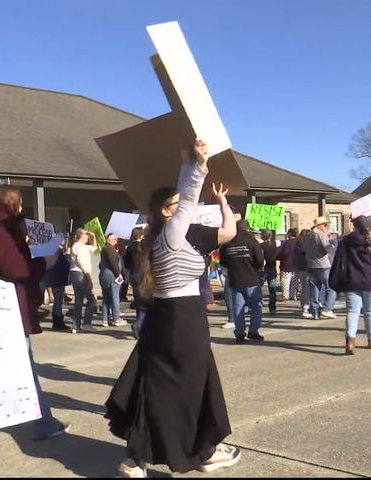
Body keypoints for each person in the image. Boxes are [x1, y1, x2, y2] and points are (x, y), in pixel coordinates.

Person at [105, 139, 240, 477]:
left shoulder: (158, 238)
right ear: (166, 211)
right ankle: (203, 452)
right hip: (184, 319)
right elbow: (188, 199)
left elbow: (228, 232)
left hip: (165, 318)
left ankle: (136, 457)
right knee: (190, 385)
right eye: (177, 206)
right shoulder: (172, 234)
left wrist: (222, 200)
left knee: (154, 384)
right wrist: (196, 165)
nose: (186, 209)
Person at [0, 184, 71, 442]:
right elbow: (18, 269)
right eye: (21, 202)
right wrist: (43, 262)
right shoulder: (3, 229)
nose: (22, 207)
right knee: (24, 368)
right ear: (12, 203)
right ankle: (43, 423)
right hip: (8, 308)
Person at [338, 215, 371, 355]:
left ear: (354, 226)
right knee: (370, 312)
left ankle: (350, 340)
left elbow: (339, 260)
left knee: (352, 312)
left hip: (351, 280)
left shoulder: (346, 241)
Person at [220, 220, 265, 343]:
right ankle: (253, 331)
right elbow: (260, 260)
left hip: (235, 279)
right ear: (248, 228)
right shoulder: (252, 241)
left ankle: (239, 334)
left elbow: (222, 261)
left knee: (238, 308)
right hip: (251, 279)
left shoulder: (227, 242)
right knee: (256, 306)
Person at [304, 216, 337, 319]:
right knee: (331, 287)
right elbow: (327, 249)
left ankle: (315, 311)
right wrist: (332, 244)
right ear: (320, 226)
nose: (326, 227)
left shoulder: (307, 236)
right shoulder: (322, 235)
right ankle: (327, 309)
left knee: (315, 288)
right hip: (323, 265)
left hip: (311, 265)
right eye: (325, 225)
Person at [68, 228, 98, 333]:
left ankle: (76, 326)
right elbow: (80, 261)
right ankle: (86, 324)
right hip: (81, 273)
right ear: (81, 235)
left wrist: (93, 236)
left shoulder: (83, 246)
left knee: (79, 300)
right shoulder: (78, 246)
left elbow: (94, 248)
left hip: (76, 273)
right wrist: (87, 276)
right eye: (86, 234)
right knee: (91, 299)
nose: (87, 236)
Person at [124, 227, 146, 338]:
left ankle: (140, 325)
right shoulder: (143, 246)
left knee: (137, 300)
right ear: (141, 235)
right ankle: (139, 324)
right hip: (143, 275)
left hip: (133, 274)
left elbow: (126, 263)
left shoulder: (129, 247)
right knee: (145, 301)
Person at [99, 233, 126, 327]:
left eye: (116, 239)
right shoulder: (109, 249)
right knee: (115, 296)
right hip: (111, 275)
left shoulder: (105, 249)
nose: (116, 241)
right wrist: (119, 274)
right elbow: (113, 262)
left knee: (106, 297)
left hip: (104, 274)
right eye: (114, 239)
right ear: (108, 240)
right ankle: (116, 318)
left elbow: (100, 264)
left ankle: (105, 319)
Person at [44, 243, 71, 331]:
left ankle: (58, 322)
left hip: (59, 281)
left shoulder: (56, 255)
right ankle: (58, 322)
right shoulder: (55, 255)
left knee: (58, 303)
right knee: (58, 303)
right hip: (57, 281)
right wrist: (50, 293)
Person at [275, 228, 298, 300]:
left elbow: (278, 252)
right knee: (294, 281)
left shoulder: (285, 243)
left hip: (286, 265)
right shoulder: (298, 243)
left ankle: (285, 295)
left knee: (285, 281)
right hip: (296, 265)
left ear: (289, 234)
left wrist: (278, 257)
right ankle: (293, 295)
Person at [260, 230, 278, 314]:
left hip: (263, 269)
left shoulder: (261, 246)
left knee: (258, 288)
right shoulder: (274, 245)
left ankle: (258, 304)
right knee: (272, 289)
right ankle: (272, 308)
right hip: (272, 268)